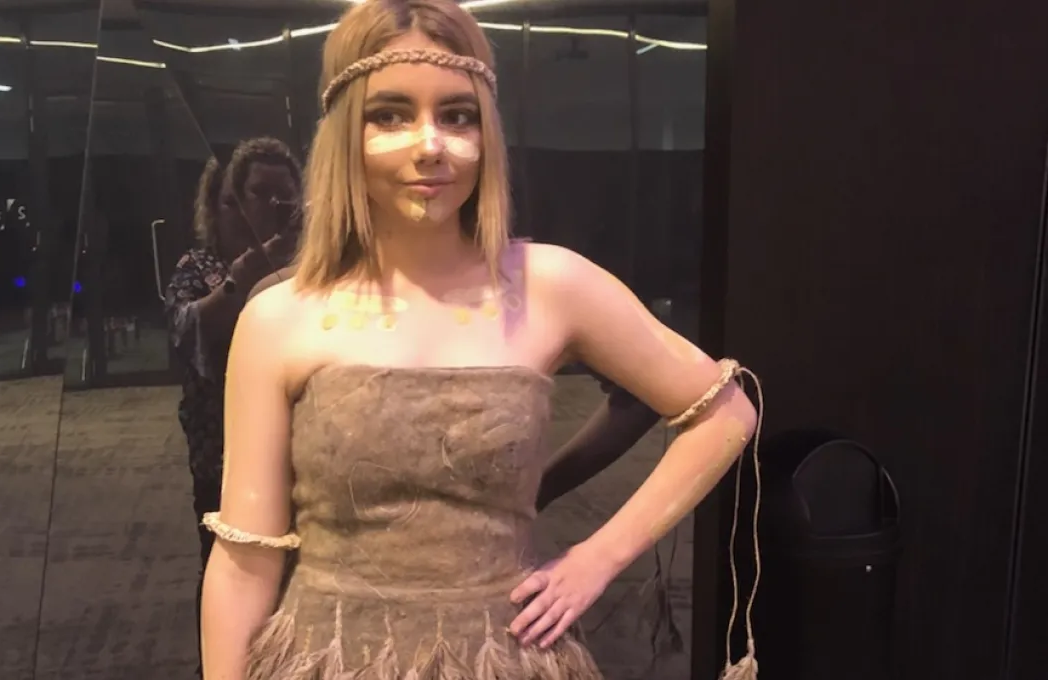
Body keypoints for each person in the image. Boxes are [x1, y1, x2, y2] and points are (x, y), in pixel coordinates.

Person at [201, 1, 758, 677]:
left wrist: (597, 558)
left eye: (457, 115)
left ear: (486, 132)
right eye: (390, 115)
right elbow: (245, 560)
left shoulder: (551, 285)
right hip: (331, 655)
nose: (430, 145)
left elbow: (724, 412)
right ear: (345, 133)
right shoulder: (280, 319)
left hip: (503, 654)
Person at [162, 138, 303, 675]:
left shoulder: (310, 268)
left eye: (283, 195)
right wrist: (245, 273)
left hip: (296, 455)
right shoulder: (199, 266)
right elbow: (187, 330)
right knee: (230, 570)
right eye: (257, 194)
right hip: (220, 453)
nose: (270, 206)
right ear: (227, 202)